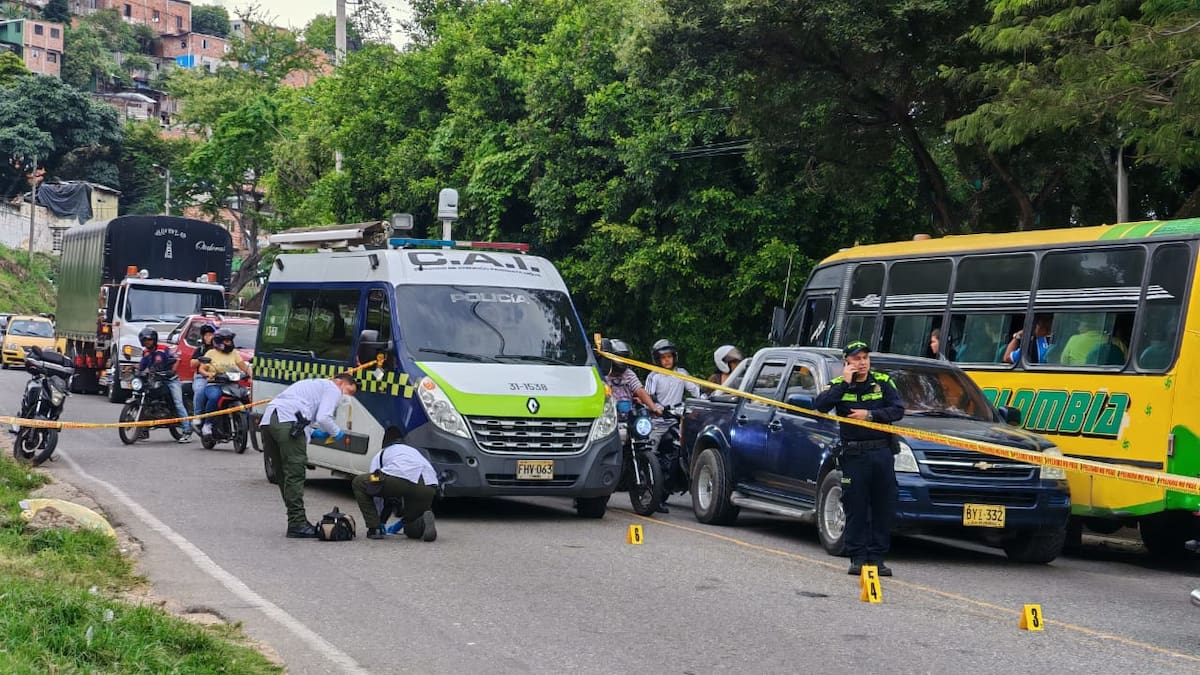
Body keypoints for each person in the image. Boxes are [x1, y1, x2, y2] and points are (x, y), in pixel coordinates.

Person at [814, 340, 905, 577]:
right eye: (856, 359)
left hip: (882, 452)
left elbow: (898, 410)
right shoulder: (837, 386)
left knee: (883, 506)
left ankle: (877, 558)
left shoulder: (883, 383)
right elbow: (821, 406)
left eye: (865, 358)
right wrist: (844, 383)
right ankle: (857, 558)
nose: (862, 363)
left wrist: (871, 414)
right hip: (854, 454)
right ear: (847, 362)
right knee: (856, 505)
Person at [259, 373, 358, 538]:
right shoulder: (332, 387)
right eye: (349, 390)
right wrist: (337, 433)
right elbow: (324, 418)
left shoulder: (311, 385)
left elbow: (304, 413)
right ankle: (297, 524)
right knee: (295, 472)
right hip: (288, 421)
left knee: (283, 474)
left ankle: (296, 520)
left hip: (269, 421)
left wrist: (313, 432)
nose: (347, 396)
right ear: (340, 382)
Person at [643, 339, 700, 513]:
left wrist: (703, 402)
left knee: (677, 456)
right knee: (650, 455)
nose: (667, 360)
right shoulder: (654, 376)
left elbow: (696, 390)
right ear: (657, 359)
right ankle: (648, 493)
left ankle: (668, 491)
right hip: (658, 422)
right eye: (663, 357)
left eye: (669, 357)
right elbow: (648, 397)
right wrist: (659, 409)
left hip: (676, 421)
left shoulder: (681, 373)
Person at [351, 440, 438, 541]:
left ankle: (374, 530)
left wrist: (379, 522)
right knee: (412, 529)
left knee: (360, 482)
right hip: (428, 485)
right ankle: (422, 520)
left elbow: (374, 490)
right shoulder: (414, 452)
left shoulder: (381, 454)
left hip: (398, 477)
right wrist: (401, 522)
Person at [136, 328, 194, 443]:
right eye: (145, 340)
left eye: (150, 340)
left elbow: (176, 359)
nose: (147, 342)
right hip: (155, 380)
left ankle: (187, 430)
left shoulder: (163, 349)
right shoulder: (146, 352)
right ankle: (143, 429)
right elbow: (142, 366)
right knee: (145, 399)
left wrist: (172, 371)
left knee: (178, 403)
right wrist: (133, 369)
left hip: (170, 380)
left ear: (154, 340)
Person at [197, 328, 253, 439]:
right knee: (214, 397)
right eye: (226, 341)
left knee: (245, 396)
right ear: (219, 342)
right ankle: (207, 424)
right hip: (215, 384)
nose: (229, 343)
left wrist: (251, 375)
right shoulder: (211, 353)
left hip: (232, 384)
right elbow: (201, 369)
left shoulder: (234, 353)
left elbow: (244, 367)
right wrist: (208, 374)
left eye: (230, 341)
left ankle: (244, 426)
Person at [602, 338, 659, 415]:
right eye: (619, 358)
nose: (622, 361)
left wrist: (654, 408)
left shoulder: (628, 374)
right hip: (608, 415)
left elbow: (640, 390)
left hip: (629, 414)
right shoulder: (602, 375)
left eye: (624, 358)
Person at [1059, 315, 1126, 365]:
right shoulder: (1116, 341)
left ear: (1086, 326)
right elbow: (1126, 361)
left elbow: (1063, 362)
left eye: (1079, 324)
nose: (1078, 328)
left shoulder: (1073, 339)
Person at [189, 323, 217, 423]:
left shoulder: (220, 349)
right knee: (200, 390)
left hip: (218, 377)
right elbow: (192, 364)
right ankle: (198, 416)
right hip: (201, 377)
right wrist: (201, 359)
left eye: (210, 334)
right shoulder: (200, 349)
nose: (208, 337)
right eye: (206, 335)